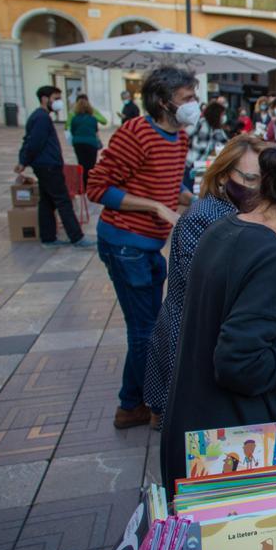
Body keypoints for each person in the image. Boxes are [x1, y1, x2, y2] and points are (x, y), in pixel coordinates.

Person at [159, 138, 276, 492]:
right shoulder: (270, 253)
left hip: (191, 422)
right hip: (227, 445)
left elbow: (236, 299)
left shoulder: (225, 228)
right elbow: (241, 364)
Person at [87, 66, 195, 429]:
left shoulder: (180, 138)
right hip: (124, 242)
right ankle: (133, 405)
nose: (194, 105)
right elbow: (98, 187)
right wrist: (154, 207)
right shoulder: (135, 133)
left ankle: (144, 400)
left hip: (151, 245)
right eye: (187, 99)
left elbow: (168, 185)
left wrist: (196, 201)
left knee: (157, 324)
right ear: (164, 101)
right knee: (145, 329)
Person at [142, 134, 273, 427]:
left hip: (204, 325)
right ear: (225, 173)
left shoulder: (235, 211)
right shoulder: (204, 216)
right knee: (185, 421)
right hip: (190, 329)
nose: (257, 187)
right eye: (250, 178)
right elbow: (203, 286)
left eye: (263, 180)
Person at [14, 85, 92, 249]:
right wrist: (23, 161)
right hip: (48, 166)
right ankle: (77, 237)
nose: (58, 103)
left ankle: (48, 237)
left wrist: (23, 160)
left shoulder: (39, 116)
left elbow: (28, 140)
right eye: (56, 99)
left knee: (47, 202)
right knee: (63, 201)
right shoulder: (41, 118)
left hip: (45, 165)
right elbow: (33, 142)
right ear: (45, 98)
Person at [185, 102, 228, 191]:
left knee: (196, 190)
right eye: (222, 114)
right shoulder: (200, 122)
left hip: (201, 166)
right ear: (216, 114)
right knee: (188, 189)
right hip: (190, 164)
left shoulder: (217, 129)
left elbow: (226, 144)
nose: (223, 117)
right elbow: (185, 135)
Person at [68, 95, 105, 188]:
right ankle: (90, 183)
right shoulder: (92, 119)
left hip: (78, 143)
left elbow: (72, 131)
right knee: (91, 164)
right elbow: (95, 130)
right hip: (91, 143)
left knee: (81, 163)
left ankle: (82, 184)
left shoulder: (74, 118)